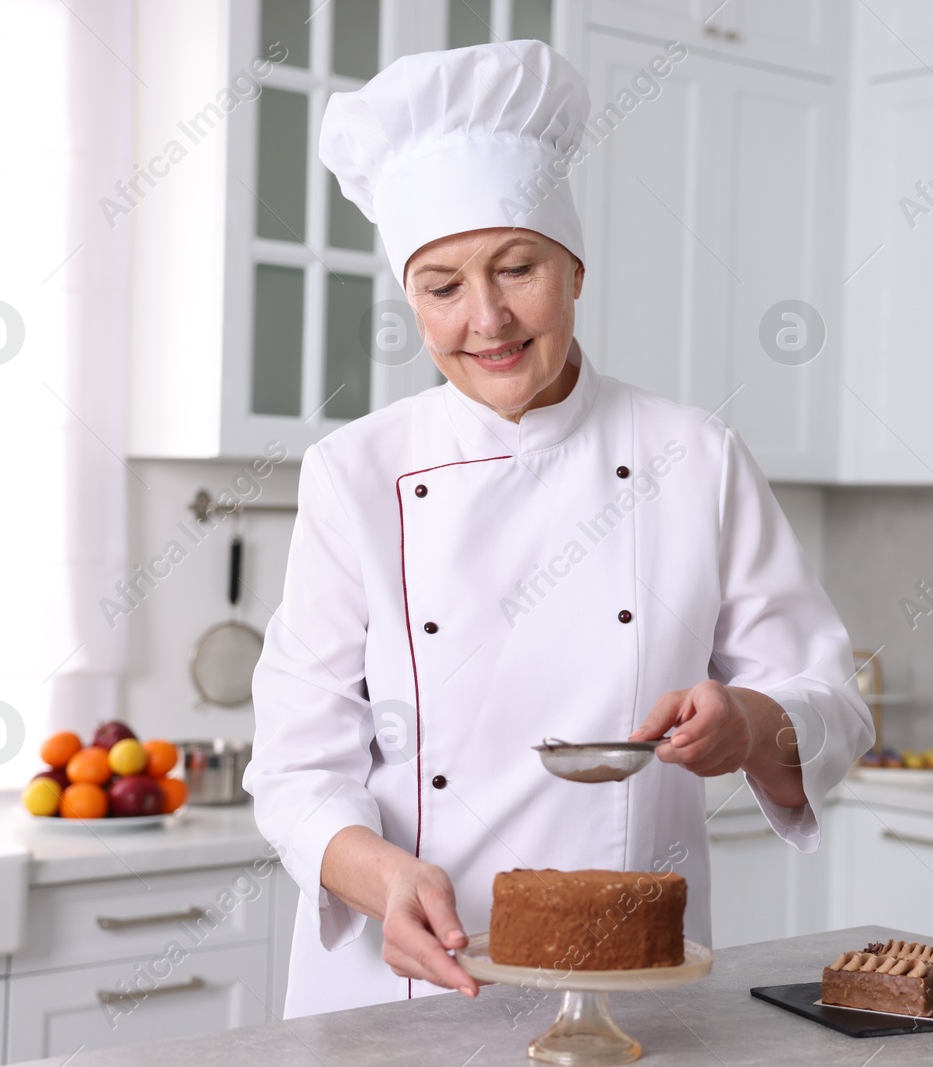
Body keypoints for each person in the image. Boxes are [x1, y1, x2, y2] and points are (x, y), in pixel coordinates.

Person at [245, 38, 872, 1018]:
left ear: (573, 267)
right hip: (397, 981)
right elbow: (294, 763)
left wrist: (748, 723)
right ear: (411, 301)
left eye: (516, 268)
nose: (487, 317)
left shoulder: (692, 456)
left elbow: (832, 699)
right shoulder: (355, 473)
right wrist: (371, 873)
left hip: (629, 986)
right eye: (442, 286)